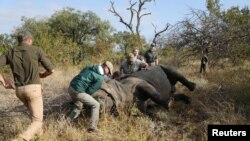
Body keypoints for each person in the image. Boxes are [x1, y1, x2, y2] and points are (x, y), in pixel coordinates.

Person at [0, 30, 54, 141]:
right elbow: (51, 70)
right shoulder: (36, 50)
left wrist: (4, 82)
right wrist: (42, 75)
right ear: (29, 40)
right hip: (33, 89)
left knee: (35, 116)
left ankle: (40, 137)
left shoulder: (10, 52)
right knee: (37, 121)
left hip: (19, 90)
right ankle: (22, 138)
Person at [67, 61, 113, 132]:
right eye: (109, 72)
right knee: (96, 105)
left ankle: (66, 122)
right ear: (106, 68)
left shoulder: (91, 66)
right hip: (78, 91)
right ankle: (93, 127)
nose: (109, 74)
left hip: (71, 87)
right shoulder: (100, 78)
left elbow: (81, 73)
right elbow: (90, 91)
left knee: (78, 106)